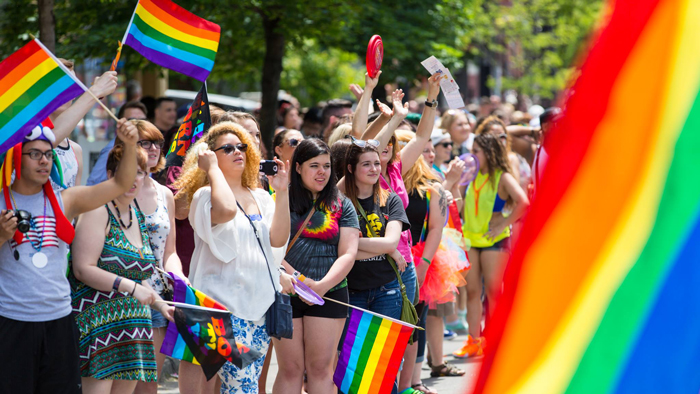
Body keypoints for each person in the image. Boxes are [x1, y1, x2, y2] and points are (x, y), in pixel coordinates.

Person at [0, 119, 139, 394]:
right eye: (35, 154)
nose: (44, 161)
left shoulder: (67, 200)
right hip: (11, 322)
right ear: (16, 157)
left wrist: (131, 144)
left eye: (49, 155)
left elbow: (122, 182)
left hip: (59, 321)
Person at [173, 122, 292, 393]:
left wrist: (282, 191)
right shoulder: (204, 195)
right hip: (218, 311)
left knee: (243, 390)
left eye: (241, 146)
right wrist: (212, 170)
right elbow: (226, 211)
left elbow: (278, 239)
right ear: (210, 156)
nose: (238, 151)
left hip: (258, 309)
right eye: (227, 148)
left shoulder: (262, 197)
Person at [70, 142, 175, 394]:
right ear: (109, 176)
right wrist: (129, 287)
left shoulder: (137, 215)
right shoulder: (98, 209)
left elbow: (140, 275)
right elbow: (83, 268)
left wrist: (160, 304)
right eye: (126, 171)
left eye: (139, 171)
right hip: (99, 325)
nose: (134, 178)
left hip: (134, 327)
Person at [273, 139, 359, 393]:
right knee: (290, 370)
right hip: (284, 292)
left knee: (321, 369)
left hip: (329, 293)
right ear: (297, 167)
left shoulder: (342, 203)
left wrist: (321, 286)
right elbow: (267, 248)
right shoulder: (278, 198)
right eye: (314, 166)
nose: (322, 172)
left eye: (327, 166)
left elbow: (348, 254)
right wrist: (295, 277)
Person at [341, 140, 410, 394]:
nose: (373, 169)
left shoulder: (391, 201)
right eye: (366, 164)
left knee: (383, 365)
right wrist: (382, 247)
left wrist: (355, 245)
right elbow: (339, 251)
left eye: (377, 164)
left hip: (387, 291)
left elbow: (391, 240)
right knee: (353, 365)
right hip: (351, 292)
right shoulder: (340, 203)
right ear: (351, 168)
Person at [452, 133, 529, 358]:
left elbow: (523, 201)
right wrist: (456, 184)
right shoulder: (470, 175)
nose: (472, 155)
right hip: (471, 239)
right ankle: (473, 341)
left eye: (476, 151)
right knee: (473, 291)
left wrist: (502, 224)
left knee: (495, 292)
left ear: (489, 152)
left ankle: (497, 341)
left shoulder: (502, 176)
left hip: (494, 240)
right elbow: (463, 209)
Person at [130, 120, 187, 394]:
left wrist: (179, 279)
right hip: (121, 296)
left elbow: (170, 251)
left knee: (148, 385)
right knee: (120, 385)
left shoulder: (165, 193)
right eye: (144, 142)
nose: (153, 148)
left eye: (157, 143)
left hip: (158, 298)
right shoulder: (112, 189)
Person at [87, 101, 149, 186]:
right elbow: (92, 183)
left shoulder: (150, 147)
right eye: (132, 120)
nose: (139, 125)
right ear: (120, 123)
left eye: (143, 120)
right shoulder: (112, 148)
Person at [50, 58, 83, 190]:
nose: (66, 92)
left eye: (71, 87)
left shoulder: (76, 150)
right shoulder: (27, 137)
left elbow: (77, 202)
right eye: (59, 85)